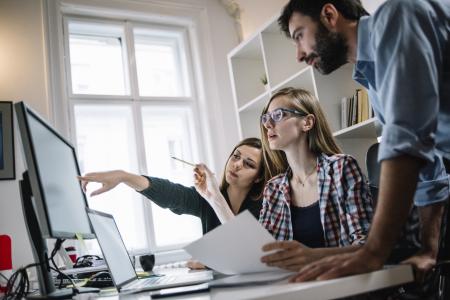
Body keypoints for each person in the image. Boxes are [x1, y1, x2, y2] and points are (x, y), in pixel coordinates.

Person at [276, 0, 450, 283]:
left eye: (299, 36)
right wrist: (428, 249)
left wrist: (372, 252)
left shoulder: (397, 17)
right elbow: (427, 165)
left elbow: (406, 140)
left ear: (329, 14)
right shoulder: (373, 80)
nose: (299, 55)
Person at [79, 137, 272, 268]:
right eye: (236, 156)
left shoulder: (265, 206)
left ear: (258, 177)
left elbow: (254, 257)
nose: (237, 164)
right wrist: (123, 176)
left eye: (249, 164)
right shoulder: (206, 197)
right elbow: (171, 194)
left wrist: (213, 261)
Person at [256, 87, 373, 271]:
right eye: (266, 118)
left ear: (307, 122)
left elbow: (366, 245)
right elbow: (263, 255)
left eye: (278, 115)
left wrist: (313, 257)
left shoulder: (342, 169)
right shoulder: (273, 189)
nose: (268, 124)